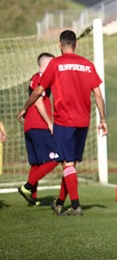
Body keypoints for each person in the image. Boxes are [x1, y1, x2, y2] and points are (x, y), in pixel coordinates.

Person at [17, 30, 107, 217]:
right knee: (71, 164)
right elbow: (98, 93)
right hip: (83, 121)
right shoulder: (88, 65)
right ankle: (59, 203)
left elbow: (38, 90)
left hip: (64, 121)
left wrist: (26, 107)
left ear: (60, 44)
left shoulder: (56, 63)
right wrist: (103, 119)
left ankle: (75, 206)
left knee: (67, 164)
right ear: (76, 44)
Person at [19, 53, 59, 206]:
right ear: (46, 64)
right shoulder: (41, 77)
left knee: (36, 163)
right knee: (56, 157)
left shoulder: (36, 77)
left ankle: (32, 197)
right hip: (39, 125)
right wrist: (50, 123)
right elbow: (38, 102)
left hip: (30, 125)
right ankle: (27, 187)